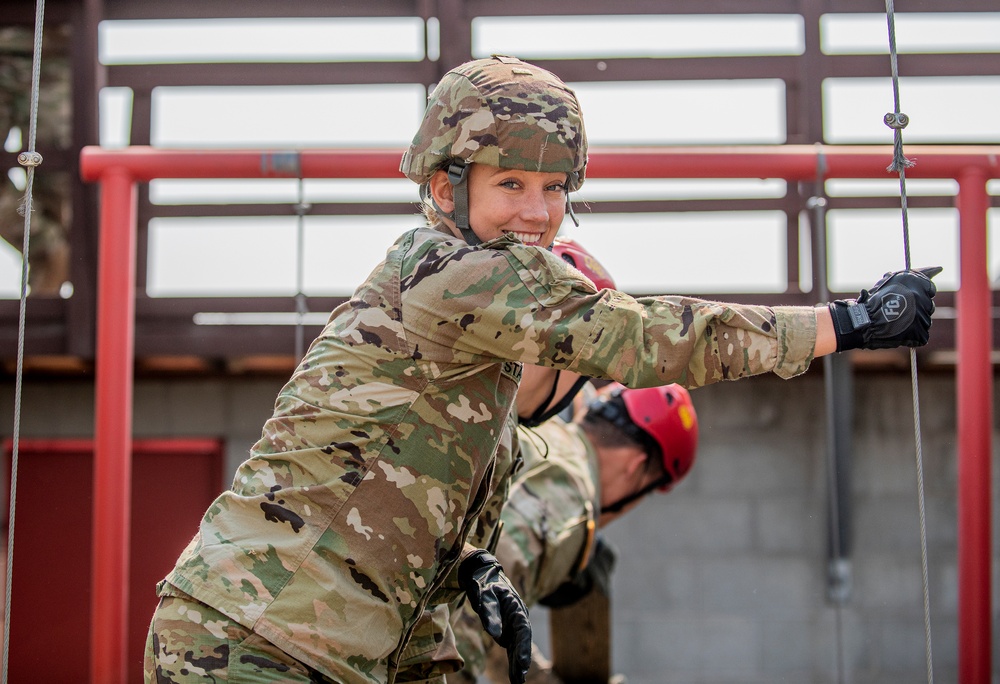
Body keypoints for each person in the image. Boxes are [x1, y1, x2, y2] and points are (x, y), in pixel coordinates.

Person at [145, 54, 939, 684]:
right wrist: (847, 323)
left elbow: (403, 546)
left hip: (301, 642)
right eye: (510, 185)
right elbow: (644, 340)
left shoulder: (495, 438)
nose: (535, 211)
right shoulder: (448, 268)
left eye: (555, 188)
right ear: (443, 188)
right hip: (259, 641)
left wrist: (473, 577)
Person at [447, 382, 699, 684]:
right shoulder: (571, 504)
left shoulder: (545, 434)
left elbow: (492, 624)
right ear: (636, 467)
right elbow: (466, 620)